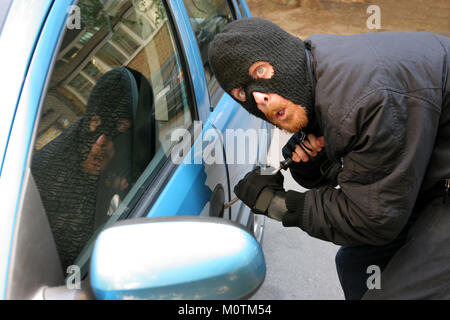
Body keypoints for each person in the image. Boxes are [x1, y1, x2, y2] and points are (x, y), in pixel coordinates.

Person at [208, 17, 450, 299]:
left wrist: (278, 205)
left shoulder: (363, 99)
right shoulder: (315, 74)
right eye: (242, 93)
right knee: (356, 265)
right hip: (429, 172)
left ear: (284, 57)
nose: (258, 97)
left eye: (260, 70)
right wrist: (314, 161)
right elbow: (371, 171)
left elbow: (373, 220)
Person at [32, 66, 155, 270]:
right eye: (96, 122)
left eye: (119, 126)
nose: (101, 140)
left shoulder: (137, 154)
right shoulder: (51, 170)